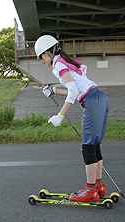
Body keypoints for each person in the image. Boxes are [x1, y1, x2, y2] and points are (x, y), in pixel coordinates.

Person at [34, 35, 109, 202]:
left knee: (88, 147)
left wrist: (60, 115)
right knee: (94, 145)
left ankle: (90, 190)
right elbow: (74, 88)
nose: (41, 61)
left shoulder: (58, 64)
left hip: (91, 100)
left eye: (41, 56)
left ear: (48, 52)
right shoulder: (63, 61)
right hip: (100, 97)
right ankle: (98, 186)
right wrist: (54, 91)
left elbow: (74, 92)